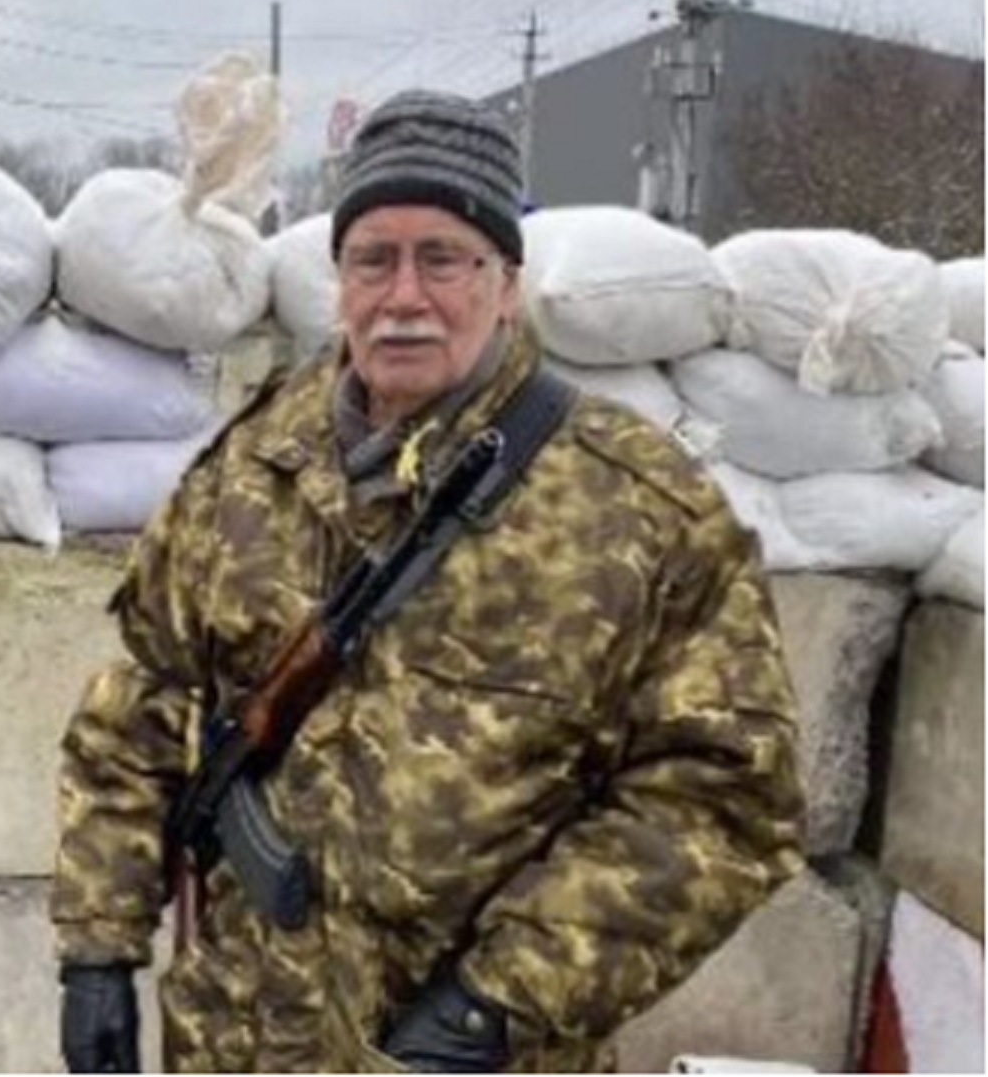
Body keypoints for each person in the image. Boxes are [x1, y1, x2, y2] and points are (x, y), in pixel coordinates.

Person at [52, 89, 804, 1073]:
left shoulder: (639, 508)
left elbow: (725, 797)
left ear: (505, 281)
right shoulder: (248, 470)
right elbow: (139, 708)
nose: (403, 296)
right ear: (341, 281)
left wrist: (497, 1002)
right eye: (374, 259)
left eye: (443, 258)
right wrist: (98, 950)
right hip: (239, 1038)